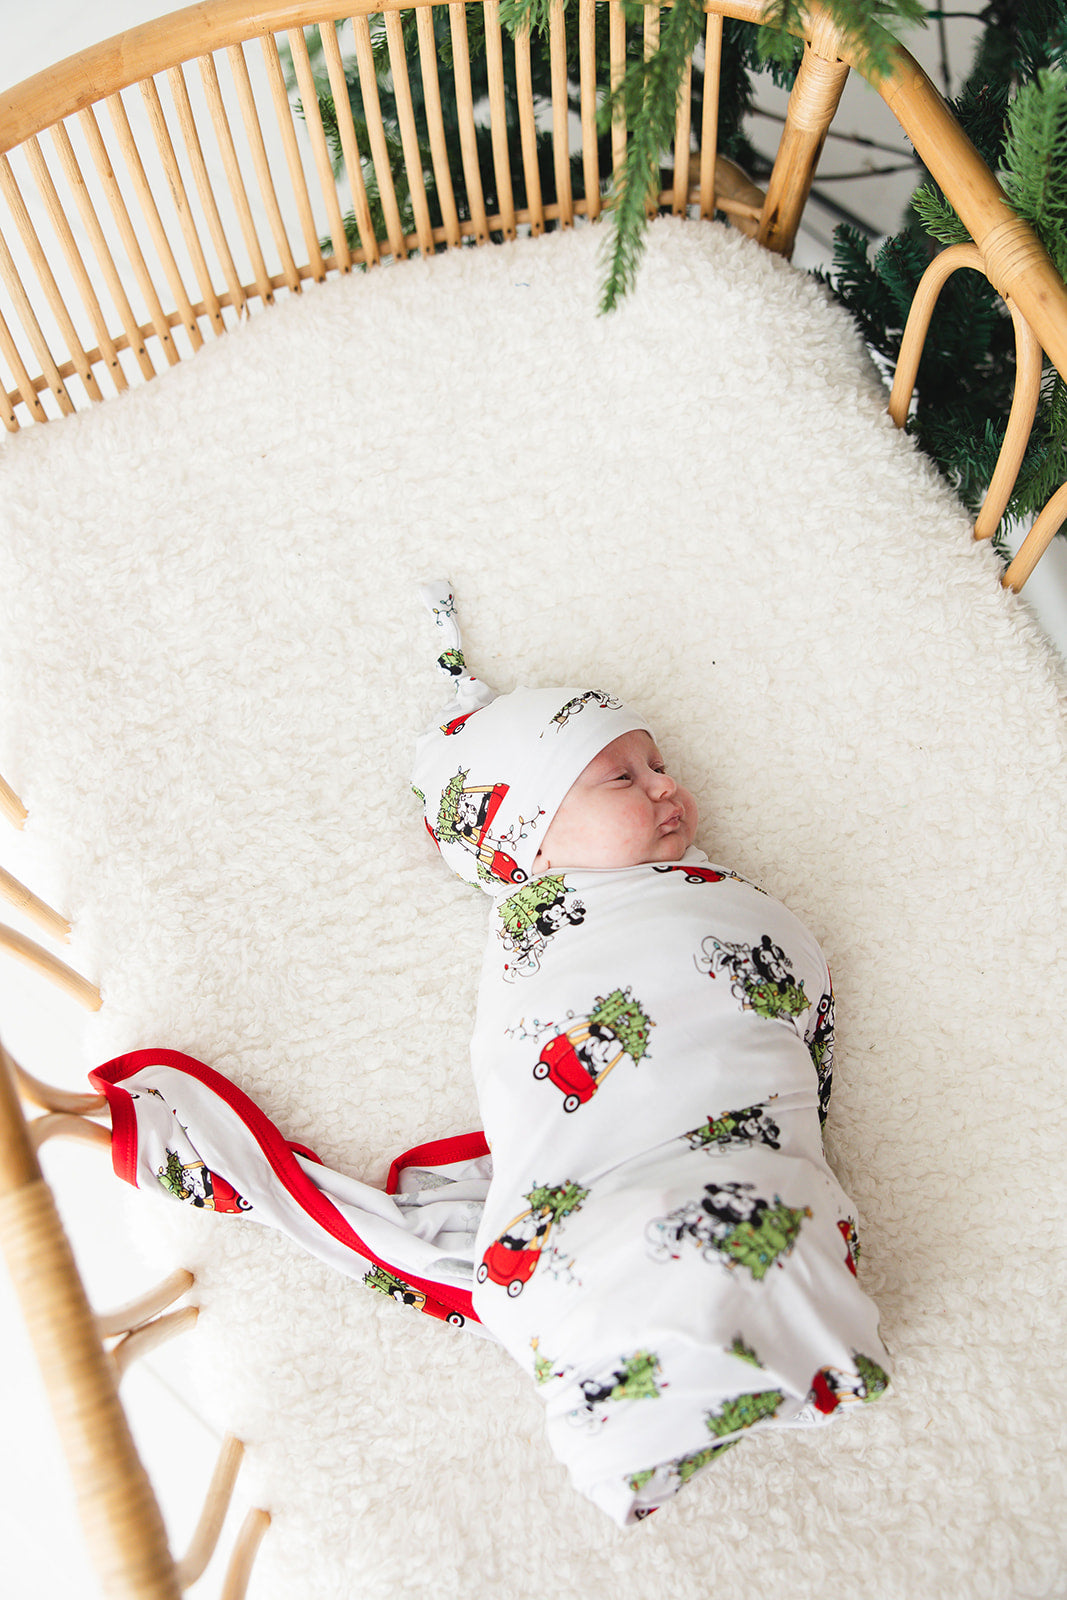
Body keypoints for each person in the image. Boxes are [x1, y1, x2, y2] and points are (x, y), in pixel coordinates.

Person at [410, 582, 891, 1526]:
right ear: (529, 841)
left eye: (658, 764)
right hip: (609, 1157)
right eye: (622, 780)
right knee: (651, 1233)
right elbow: (532, 1062)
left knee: (770, 1214)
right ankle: (634, 1426)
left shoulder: (700, 891)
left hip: (736, 1128)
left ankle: (746, 1364)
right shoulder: (544, 931)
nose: (667, 786)